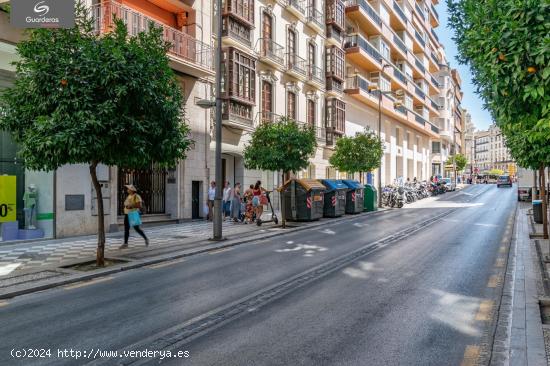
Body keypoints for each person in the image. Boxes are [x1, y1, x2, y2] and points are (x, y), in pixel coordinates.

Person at [120, 184, 148, 249]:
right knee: (126, 229)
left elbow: (139, 205)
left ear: (131, 190)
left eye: (128, 189)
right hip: (127, 214)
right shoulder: (129, 196)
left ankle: (145, 238)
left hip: (133, 214)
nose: (127, 190)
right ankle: (125, 243)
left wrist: (131, 206)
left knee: (137, 228)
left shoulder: (137, 196)